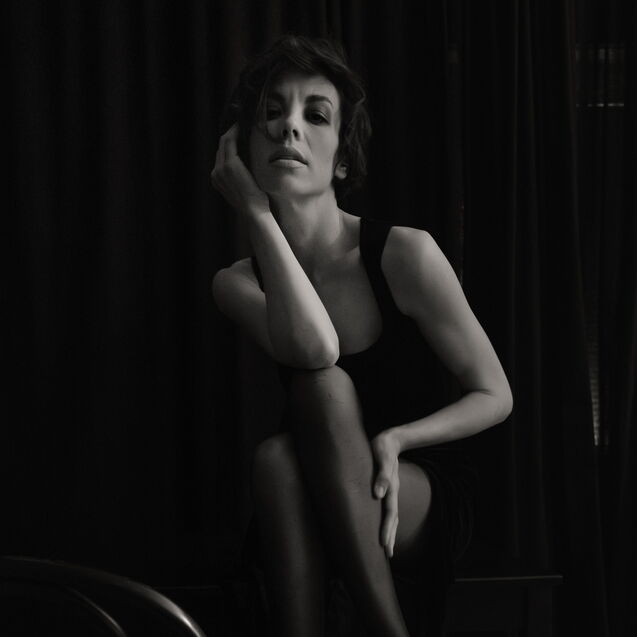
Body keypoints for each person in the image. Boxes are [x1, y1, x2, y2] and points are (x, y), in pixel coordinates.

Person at [210, 34, 513, 637]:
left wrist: (398, 439)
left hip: (416, 481)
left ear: (342, 161)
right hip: (305, 482)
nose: (288, 127)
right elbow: (316, 349)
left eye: (315, 115)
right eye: (272, 112)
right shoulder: (236, 282)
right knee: (281, 453)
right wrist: (257, 214)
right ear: (242, 150)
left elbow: (495, 394)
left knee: (307, 413)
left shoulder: (405, 253)